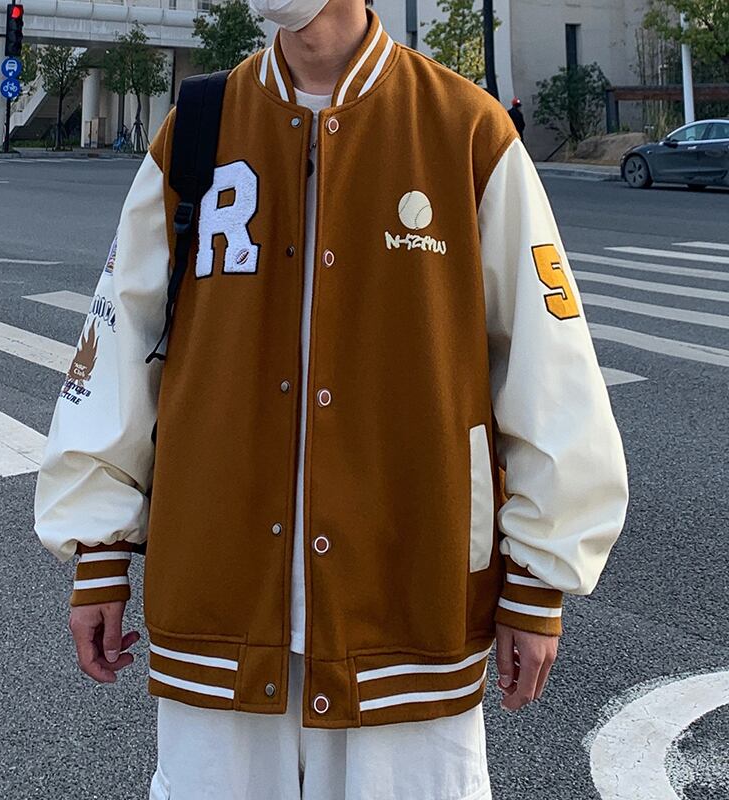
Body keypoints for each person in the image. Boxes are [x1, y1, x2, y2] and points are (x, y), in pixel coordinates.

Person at [34, 0, 629, 797]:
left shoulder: (464, 130)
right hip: (219, 591)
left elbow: (548, 362)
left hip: (406, 598)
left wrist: (537, 579)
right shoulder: (199, 127)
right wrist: (98, 553)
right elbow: (119, 343)